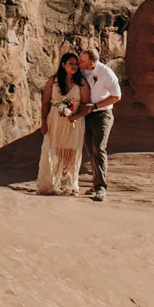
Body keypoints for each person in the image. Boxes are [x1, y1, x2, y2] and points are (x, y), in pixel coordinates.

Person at [37, 50, 87, 196]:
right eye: (70, 63)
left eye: (76, 64)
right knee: (56, 150)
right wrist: (43, 122)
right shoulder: (54, 81)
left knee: (70, 152)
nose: (74, 66)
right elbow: (46, 102)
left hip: (73, 121)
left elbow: (85, 103)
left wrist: (76, 116)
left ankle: (69, 184)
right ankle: (55, 182)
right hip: (55, 120)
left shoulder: (81, 83)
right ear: (63, 65)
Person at [76, 45, 121, 201]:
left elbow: (116, 96)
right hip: (86, 115)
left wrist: (95, 106)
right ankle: (95, 184)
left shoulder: (106, 74)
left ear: (91, 63)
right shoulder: (80, 70)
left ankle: (101, 187)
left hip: (102, 114)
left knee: (99, 147)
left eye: (82, 60)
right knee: (90, 149)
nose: (78, 62)